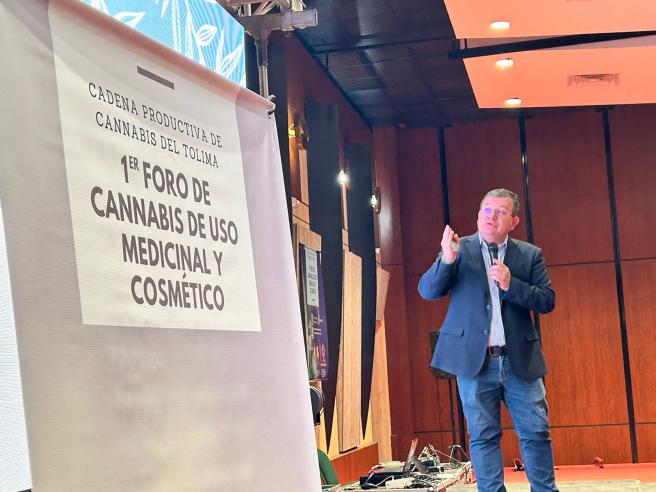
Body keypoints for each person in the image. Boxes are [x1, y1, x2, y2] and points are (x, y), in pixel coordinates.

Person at [418, 188, 558, 492]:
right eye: (486, 210)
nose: (491, 217)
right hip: (475, 362)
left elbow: (547, 300)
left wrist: (511, 284)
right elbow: (428, 290)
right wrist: (447, 259)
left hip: (520, 360)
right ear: (478, 215)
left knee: (536, 431)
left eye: (500, 212)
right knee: (483, 435)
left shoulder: (529, 254)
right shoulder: (459, 249)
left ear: (514, 221)